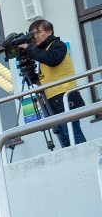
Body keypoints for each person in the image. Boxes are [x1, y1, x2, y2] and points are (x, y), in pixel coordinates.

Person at [20, 18, 87, 147]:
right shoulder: (42, 54)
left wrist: (30, 49)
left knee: (73, 135)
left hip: (64, 98)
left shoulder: (57, 45)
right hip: (52, 102)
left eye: (38, 32)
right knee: (65, 141)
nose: (35, 37)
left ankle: (85, 160)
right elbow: (46, 76)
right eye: (32, 34)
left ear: (49, 32)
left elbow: (53, 59)